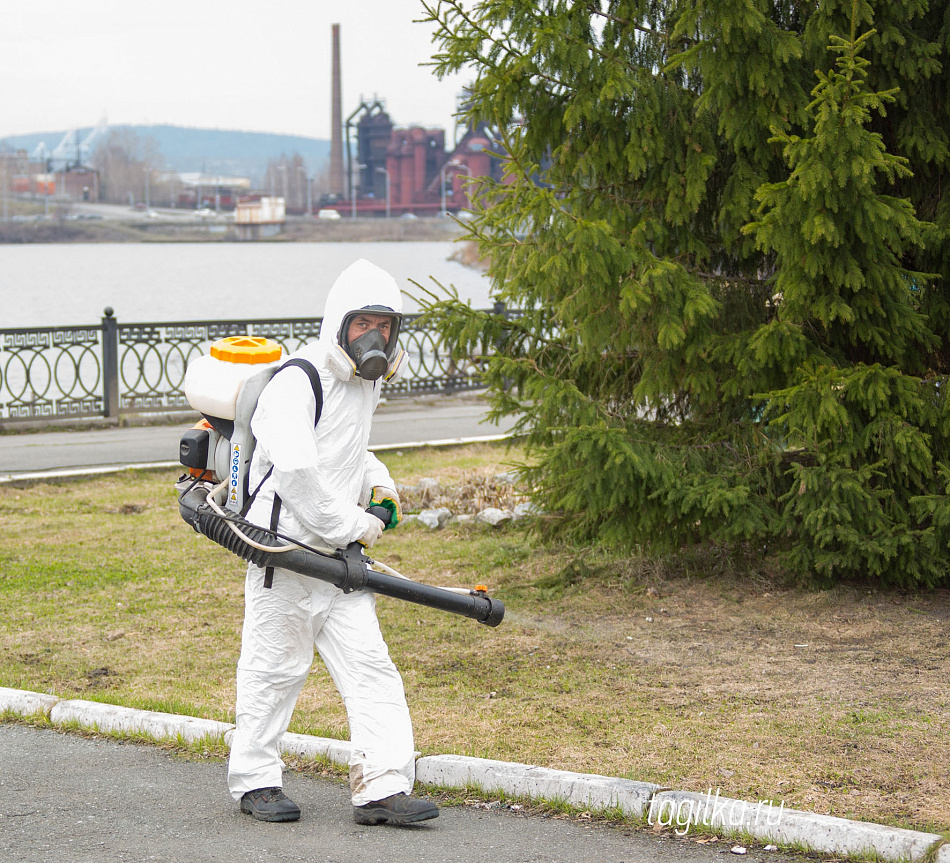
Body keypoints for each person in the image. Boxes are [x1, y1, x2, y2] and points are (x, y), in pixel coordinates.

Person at [226, 259, 439, 826]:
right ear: (337, 324)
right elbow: (298, 478)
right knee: (275, 671)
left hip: (340, 564)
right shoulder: (297, 383)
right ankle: (255, 782)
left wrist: (380, 486)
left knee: (372, 670)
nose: (376, 337)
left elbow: (349, 448)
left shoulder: (362, 384)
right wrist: (357, 525)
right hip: (286, 554)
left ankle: (382, 789)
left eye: (386, 326)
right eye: (364, 323)